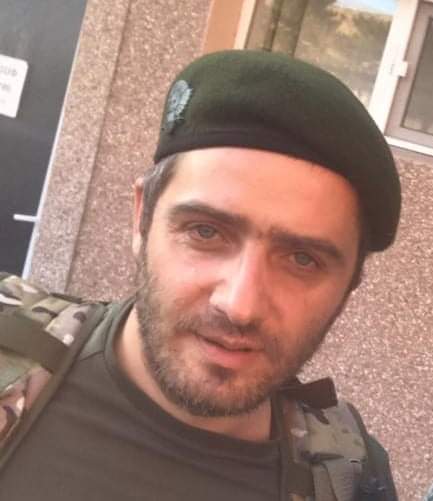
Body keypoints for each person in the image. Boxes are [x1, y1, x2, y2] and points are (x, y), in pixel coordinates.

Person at [0, 50, 400, 500]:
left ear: (349, 286)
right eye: (205, 232)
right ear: (142, 219)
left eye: (303, 260)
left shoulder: (350, 477)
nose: (240, 305)